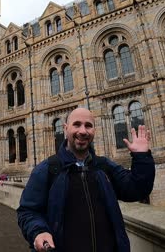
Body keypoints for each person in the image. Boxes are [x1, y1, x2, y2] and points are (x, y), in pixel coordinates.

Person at [17, 108, 155, 252]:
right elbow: (27, 211)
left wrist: (142, 157)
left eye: (88, 125)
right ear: (65, 128)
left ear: (94, 130)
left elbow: (137, 190)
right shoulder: (47, 170)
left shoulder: (104, 166)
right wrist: (39, 231)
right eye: (76, 124)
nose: (83, 131)